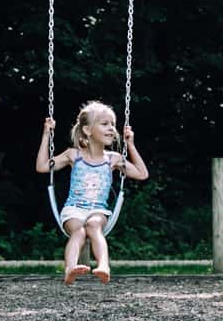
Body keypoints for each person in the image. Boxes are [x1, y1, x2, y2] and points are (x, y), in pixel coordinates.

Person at [35, 101, 149, 284]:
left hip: (98, 210)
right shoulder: (73, 155)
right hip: (73, 209)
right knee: (78, 232)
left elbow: (142, 174)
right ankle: (70, 269)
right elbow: (42, 166)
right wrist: (46, 134)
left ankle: (104, 266)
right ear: (87, 130)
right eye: (105, 124)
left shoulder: (113, 159)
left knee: (94, 225)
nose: (112, 129)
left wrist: (131, 145)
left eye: (113, 124)